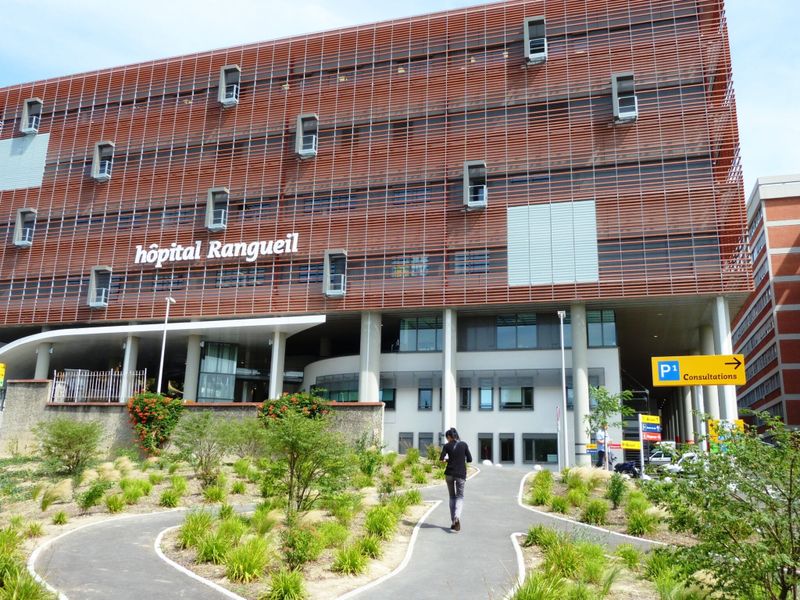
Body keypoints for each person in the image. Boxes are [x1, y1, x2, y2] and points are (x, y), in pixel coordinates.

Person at [439, 428, 472, 532]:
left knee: (452, 497)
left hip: (449, 474)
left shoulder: (446, 446)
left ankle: (453, 522)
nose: (447, 440)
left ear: (449, 437)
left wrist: (448, 460)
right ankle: (457, 517)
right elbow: (470, 459)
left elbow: (441, 459)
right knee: (460, 497)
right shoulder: (464, 444)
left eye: (447, 438)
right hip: (460, 474)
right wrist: (460, 459)